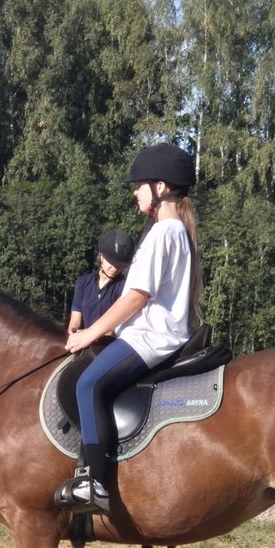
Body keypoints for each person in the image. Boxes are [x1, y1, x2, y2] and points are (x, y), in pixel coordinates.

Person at [56, 143, 201, 514]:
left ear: (162, 187)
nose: (134, 192)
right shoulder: (174, 230)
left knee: (88, 383)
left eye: (140, 184)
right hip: (151, 334)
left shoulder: (163, 232)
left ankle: (96, 483)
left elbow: (135, 297)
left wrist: (89, 333)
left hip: (151, 338)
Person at [68, 228, 134, 340]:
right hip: (81, 340)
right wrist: (74, 331)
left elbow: (113, 329)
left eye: (119, 266)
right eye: (112, 263)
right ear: (101, 256)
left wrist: (88, 334)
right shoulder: (83, 282)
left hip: (107, 343)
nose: (114, 269)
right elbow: (75, 320)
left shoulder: (124, 287)